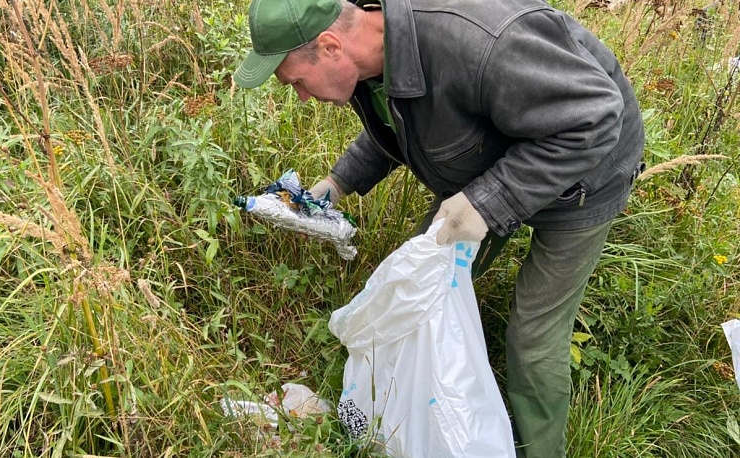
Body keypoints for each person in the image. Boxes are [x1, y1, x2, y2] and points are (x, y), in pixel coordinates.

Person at [233, 0, 645, 456]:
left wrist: (489, 203)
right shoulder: (376, 57)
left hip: (584, 177)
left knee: (532, 340)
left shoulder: (480, 44)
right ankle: (383, 414)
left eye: (297, 83)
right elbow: (403, 123)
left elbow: (593, 117)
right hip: (489, 166)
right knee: (411, 290)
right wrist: (337, 183)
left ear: (330, 46)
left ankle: (541, 450)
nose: (302, 97)